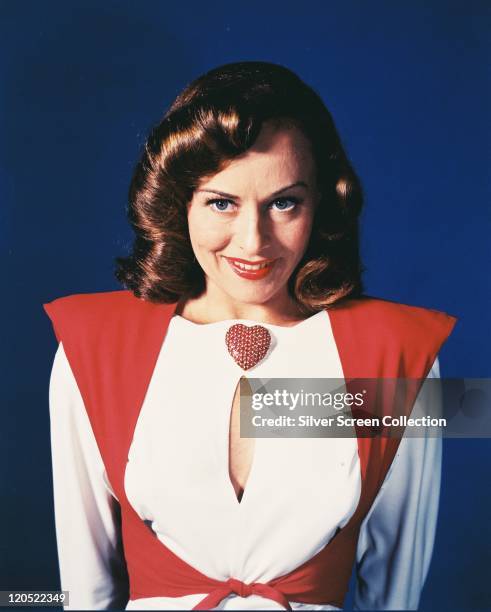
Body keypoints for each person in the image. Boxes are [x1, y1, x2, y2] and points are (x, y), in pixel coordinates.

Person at [44, 61, 456, 611]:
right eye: (222, 202)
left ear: (321, 204)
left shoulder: (398, 353)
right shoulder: (90, 344)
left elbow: (397, 596)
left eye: (284, 202)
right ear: (180, 203)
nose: (253, 241)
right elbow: (82, 591)